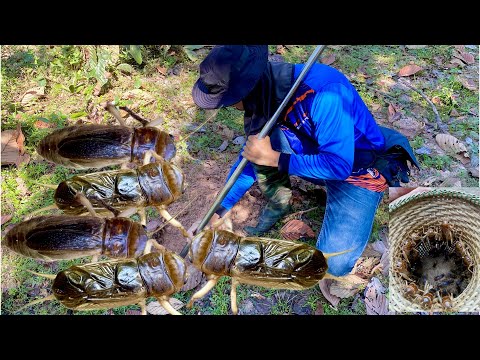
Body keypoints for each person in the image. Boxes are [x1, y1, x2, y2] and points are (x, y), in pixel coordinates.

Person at [191, 45, 418, 277]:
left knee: (335, 265)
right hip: (314, 149)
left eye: (228, 102)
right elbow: (249, 159)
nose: (230, 108)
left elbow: (340, 166)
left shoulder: (325, 93)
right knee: (261, 147)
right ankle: (280, 199)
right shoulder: (264, 95)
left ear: (245, 91)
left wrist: (275, 159)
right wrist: (218, 210)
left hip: (357, 168)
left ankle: (351, 192)